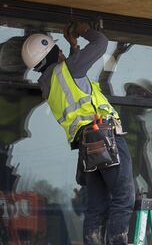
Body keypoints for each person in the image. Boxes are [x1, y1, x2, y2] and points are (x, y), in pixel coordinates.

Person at [20, 22, 135, 245]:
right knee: (124, 196)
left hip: (87, 146)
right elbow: (100, 43)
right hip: (105, 136)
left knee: (97, 206)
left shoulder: (48, 85)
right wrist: (84, 31)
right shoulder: (69, 70)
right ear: (53, 53)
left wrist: (74, 46)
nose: (62, 51)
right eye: (58, 49)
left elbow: (71, 76)